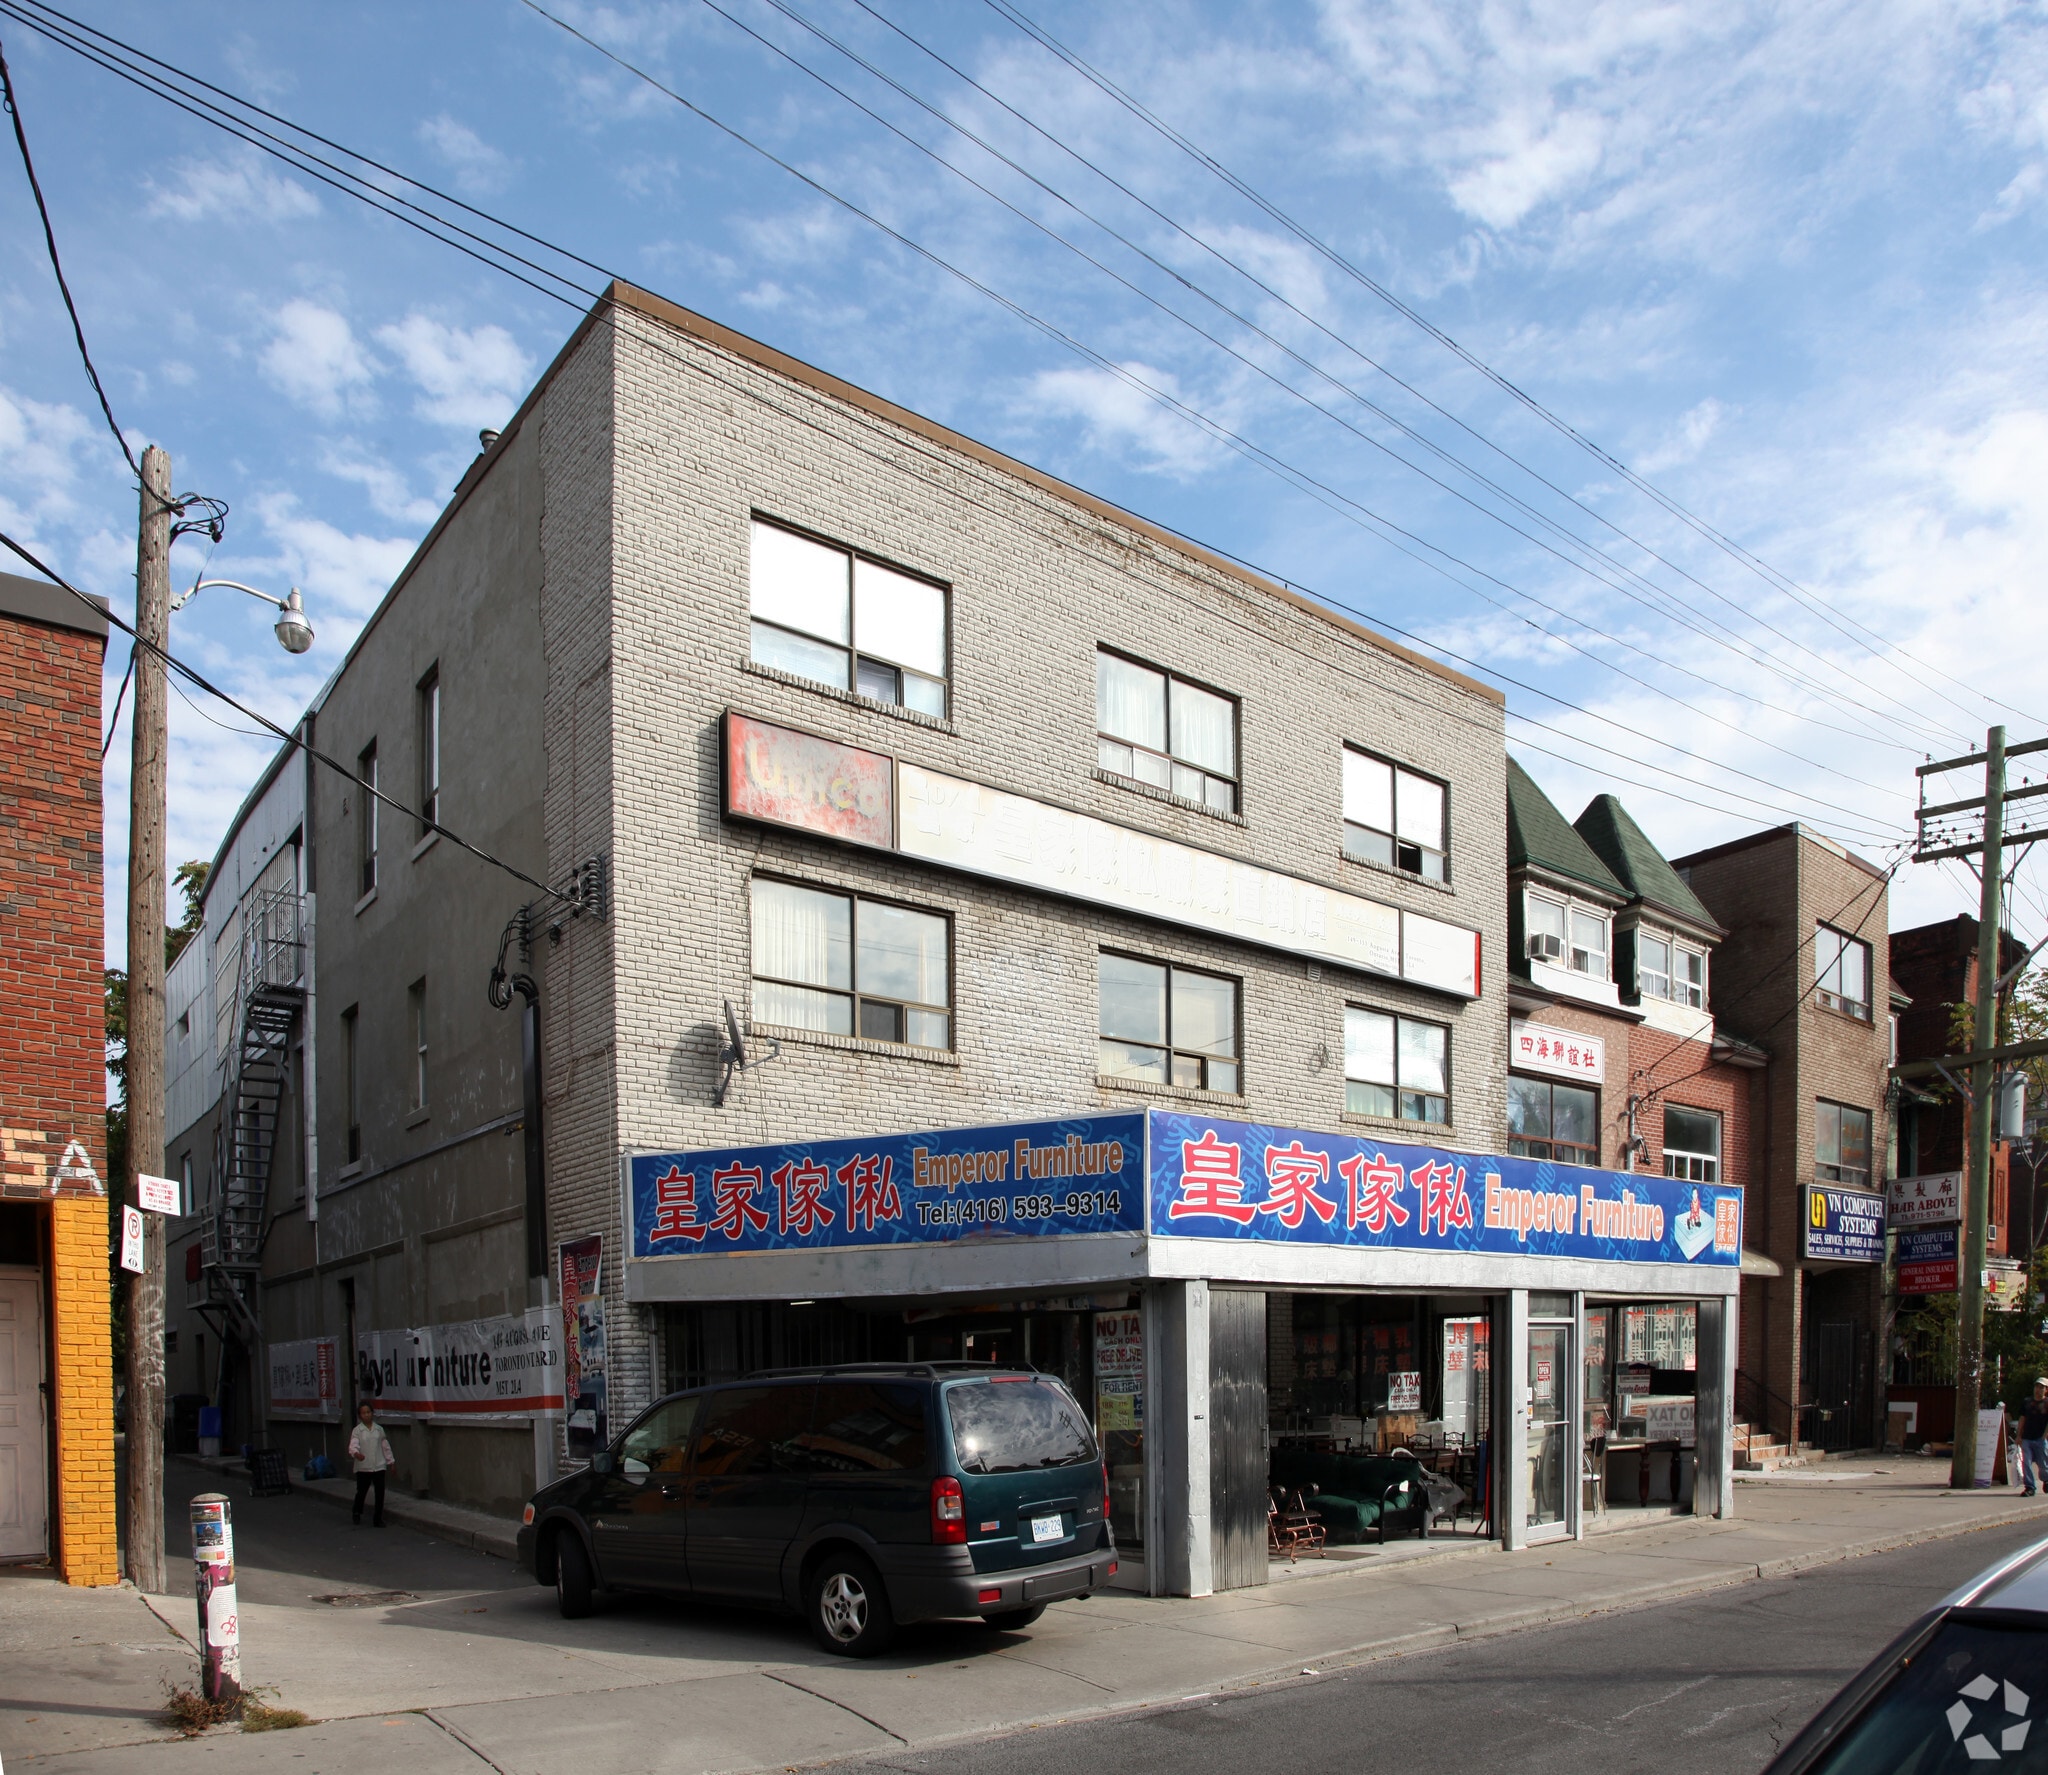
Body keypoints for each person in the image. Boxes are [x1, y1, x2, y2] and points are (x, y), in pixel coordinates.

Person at [349, 1401, 393, 1527]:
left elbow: (385, 1446)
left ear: (372, 1413)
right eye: (363, 1413)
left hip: (379, 1465)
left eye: (368, 1412)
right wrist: (356, 1454)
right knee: (362, 1491)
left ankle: (378, 1518)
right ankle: (356, 1511)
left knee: (380, 1493)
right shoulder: (357, 1431)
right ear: (360, 1416)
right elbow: (353, 1445)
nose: (366, 1415)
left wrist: (391, 1461)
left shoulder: (379, 1430)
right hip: (364, 1467)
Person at [2019, 1380, 2048, 1499]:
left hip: (2040, 1438)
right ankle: (2030, 1487)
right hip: (2027, 1438)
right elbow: (2022, 1418)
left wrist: (2045, 1435)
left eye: (2041, 1387)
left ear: (2046, 1389)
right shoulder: (2027, 1402)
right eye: (2036, 1386)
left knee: (2043, 1463)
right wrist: (2018, 1436)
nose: (2038, 1389)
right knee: (2026, 1462)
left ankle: (2046, 1480)